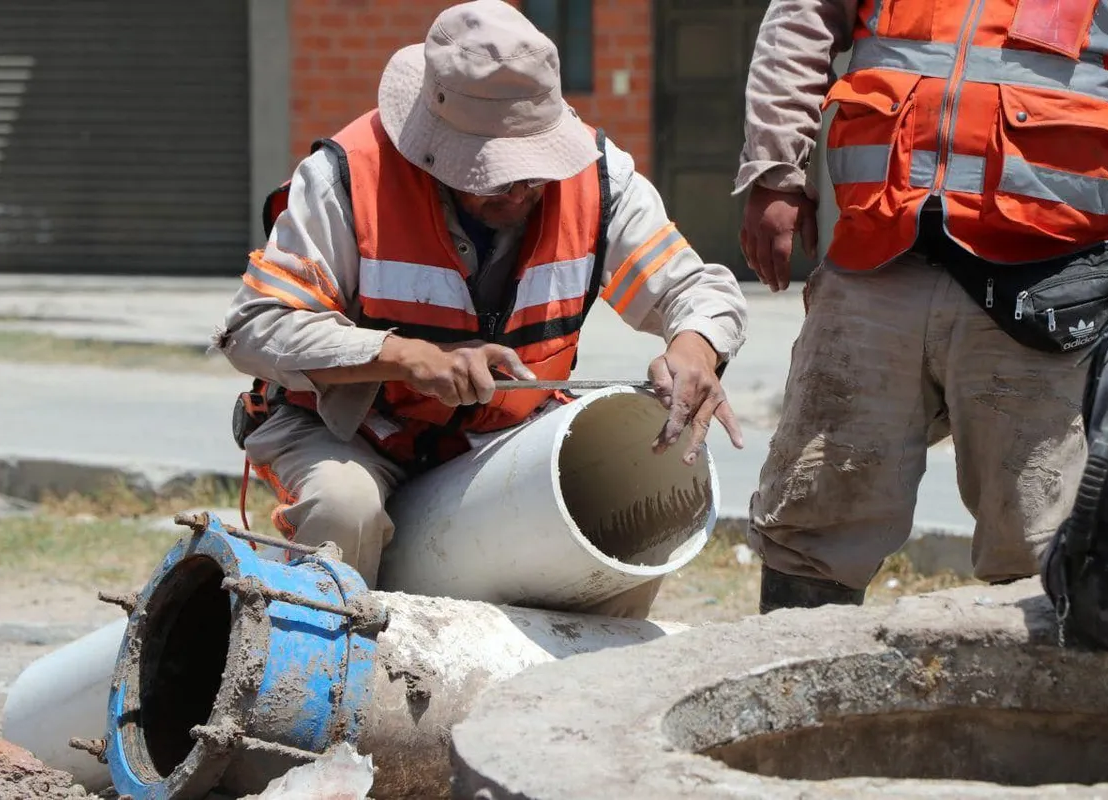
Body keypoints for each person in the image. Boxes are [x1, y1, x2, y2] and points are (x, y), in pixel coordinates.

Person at [213, 0, 747, 618]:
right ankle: (328, 691)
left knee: (618, 526)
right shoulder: (349, 177)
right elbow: (253, 326)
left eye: (532, 171)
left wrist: (695, 346)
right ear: (435, 146)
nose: (520, 190)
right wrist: (406, 358)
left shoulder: (599, 181)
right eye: (494, 175)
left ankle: (569, 702)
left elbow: (696, 287)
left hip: (496, 435)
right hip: (353, 432)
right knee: (343, 507)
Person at [737, 0, 1108, 611]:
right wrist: (775, 169)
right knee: (814, 513)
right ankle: (793, 690)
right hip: (879, 253)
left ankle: (1034, 703)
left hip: (1053, 277)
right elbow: (801, 19)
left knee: (1040, 539)